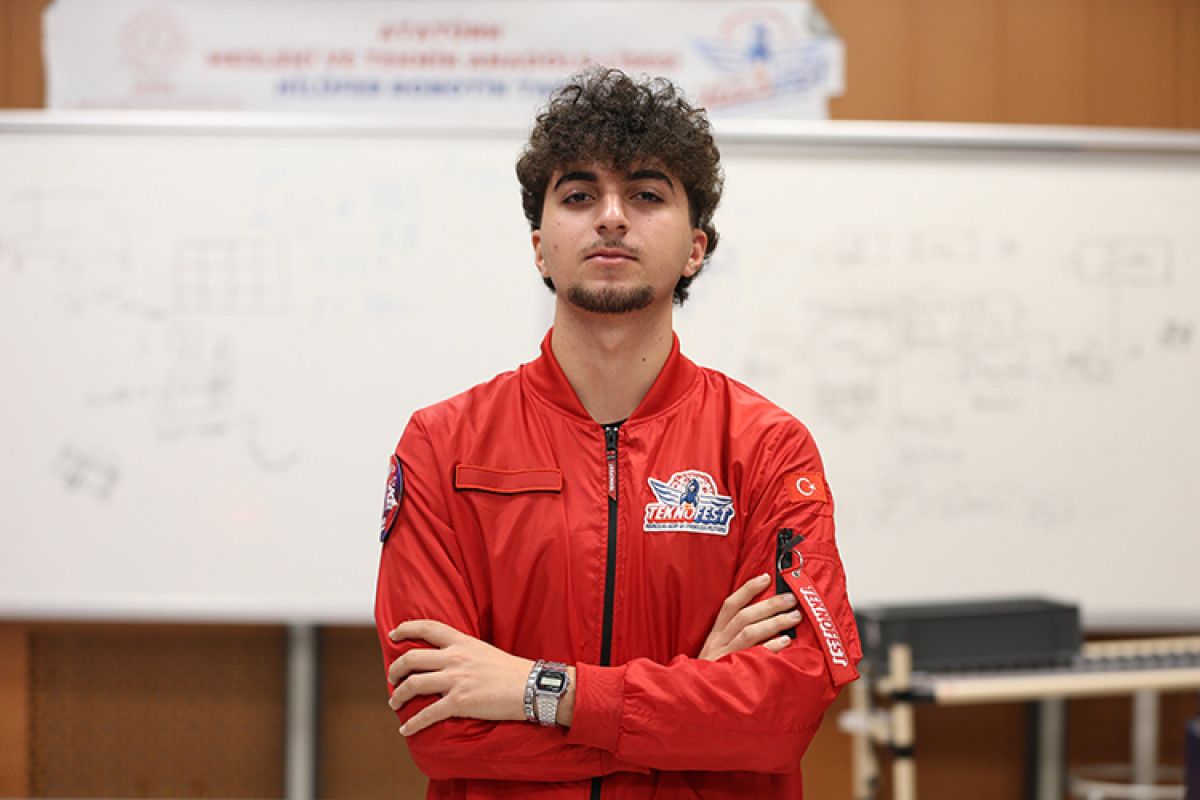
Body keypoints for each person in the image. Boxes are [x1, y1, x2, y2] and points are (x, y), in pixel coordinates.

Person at [374, 67, 860, 799]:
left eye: (645, 195)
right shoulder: (442, 446)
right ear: (540, 247)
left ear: (695, 248)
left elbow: (778, 720)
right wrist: (695, 710)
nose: (610, 217)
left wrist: (537, 689)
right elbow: (441, 728)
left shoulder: (767, 449)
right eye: (578, 196)